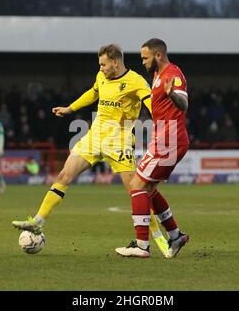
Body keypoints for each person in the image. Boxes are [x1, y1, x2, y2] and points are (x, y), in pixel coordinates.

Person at [12, 44, 169, 254]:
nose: (101, 68)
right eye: (99, 64)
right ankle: (37, 221)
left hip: (119, 142)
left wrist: (164, 123)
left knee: (136, 192)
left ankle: (160, 239)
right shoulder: (101, 76)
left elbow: (153, 106)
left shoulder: (136, 81)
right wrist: (70, 108)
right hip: (94, 137)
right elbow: (93, 93)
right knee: (64, 175)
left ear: (115, 62)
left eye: (103, 64)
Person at [115, 38, 190, 259]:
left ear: (158, 55)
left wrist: (172, 95)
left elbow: (184, 104)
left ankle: (141, 246)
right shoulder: (158, 75)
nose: (143, 62)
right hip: (164, 139)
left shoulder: (172, 74)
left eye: (145, 58)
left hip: (170, 139)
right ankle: (176, 236)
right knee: (148, 189)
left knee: (136, 185)